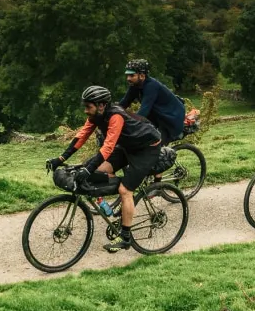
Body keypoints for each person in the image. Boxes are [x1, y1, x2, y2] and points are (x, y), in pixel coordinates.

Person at [46, 85, 162, 253]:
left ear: (101, 105)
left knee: (125, 190)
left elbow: (107, 148)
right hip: (127, 146)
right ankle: (112, 207)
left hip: (146, 149)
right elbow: (81, 137)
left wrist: (87, 169)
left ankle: (125, 237)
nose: (86, 110)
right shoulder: (95, 116)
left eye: (88, 106)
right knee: (97, 170)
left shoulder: (116, 116)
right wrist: (60, 159)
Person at [118, 58, 186, 146]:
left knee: (155, 147)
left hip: (170, 120)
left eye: (132, 75)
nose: (128, 78)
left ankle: (164, 158)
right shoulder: (135, 86)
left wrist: (130, 123)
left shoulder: (151, 86)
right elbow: (124, 103)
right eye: (127, 75)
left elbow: (144, 110)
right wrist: (111, 114)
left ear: (142, 76)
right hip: (157, 117)